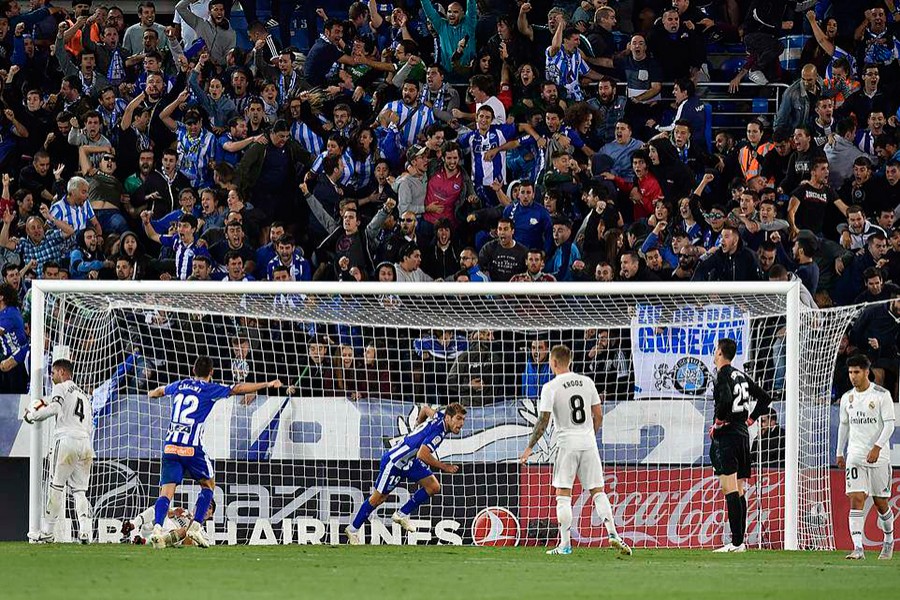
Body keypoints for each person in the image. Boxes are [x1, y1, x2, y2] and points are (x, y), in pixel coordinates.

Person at [146, 356, 283, 549]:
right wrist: (267, 383)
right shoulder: (209, 388)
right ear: (211, 372)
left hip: (170, 446)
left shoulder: (180, 384)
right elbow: (237, 389)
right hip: (191, 448)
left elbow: (159, 391)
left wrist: (151, 393)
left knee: (166, 492)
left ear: (193, 371)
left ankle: (157, 529)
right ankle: (194, 527)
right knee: (209, 485)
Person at [518, 344, 631, 556]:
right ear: (569, 361)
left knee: (563, 495)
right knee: (598, 491)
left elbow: (543, 420)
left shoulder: (551, 387)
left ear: (553, 362)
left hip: (566, 443)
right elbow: (598, 415)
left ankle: (565, 545)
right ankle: (613, 534)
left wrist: (529, 447)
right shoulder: (587, 382)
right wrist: (590, 434)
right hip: (588, 442)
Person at [345, 403, 466, 544]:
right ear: (448, 418)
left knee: (433, 486)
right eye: (458, 418)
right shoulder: (438, 432)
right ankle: (352, 530)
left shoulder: (439, 417)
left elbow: (425, 409)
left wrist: (417, 425)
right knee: (378, 498)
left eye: (463, 419)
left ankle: (401, 514)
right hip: (395, 461)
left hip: (410, 461)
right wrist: (445, 467)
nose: (461, 423)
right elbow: (422, 454)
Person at [708, 337, 773, 553]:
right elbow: (764, 397)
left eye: (716, 349)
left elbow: (725, 401)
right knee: (740, 489)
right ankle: (740, 542)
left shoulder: (722, 375)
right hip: (744, 435)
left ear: (719, 353)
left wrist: (718, 424)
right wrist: (752, 418)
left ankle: (736, 542)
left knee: (729, 488)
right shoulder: (741, 375)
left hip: (727, 435)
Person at [24, 358, 94, 544]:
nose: (52, 376)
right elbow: (90, 425)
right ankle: (86, 532)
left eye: (53, 372)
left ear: (63, 372)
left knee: (57, 486)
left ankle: (47, 531)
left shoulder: (61, 387)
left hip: (67, 440)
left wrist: (32, 415)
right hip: (86, 444)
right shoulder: (85, 396)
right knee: (80, 491)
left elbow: (54, 408)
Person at [836, 354, 895, 561]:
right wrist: (840, 452)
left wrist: (877, 447)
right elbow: (844, 425)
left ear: (866, 371)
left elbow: (889, 424)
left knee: (880, 503)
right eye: (850, 372)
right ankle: (858, 548)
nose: (853, 376)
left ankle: (888, 539)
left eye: (857, 372)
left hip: (879, 457)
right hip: (855, 455)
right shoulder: (847, 398)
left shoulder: (881, 395)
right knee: (856, 498)